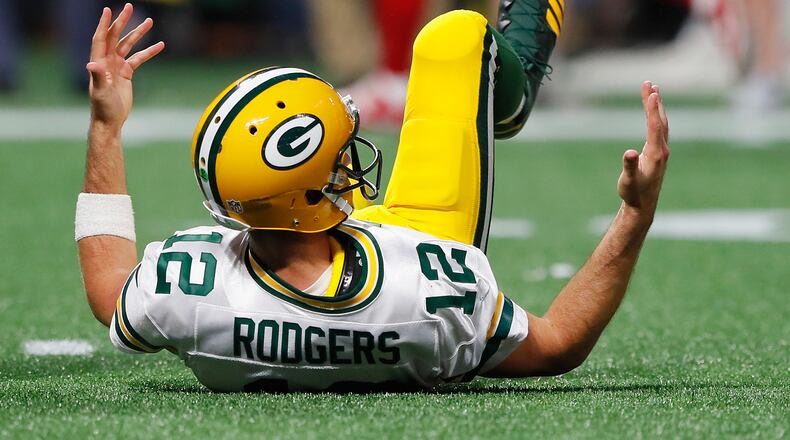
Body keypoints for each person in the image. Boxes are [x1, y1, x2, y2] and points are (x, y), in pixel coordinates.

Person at [77, 0, 670, 392]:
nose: (351, 167)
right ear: (311, 194)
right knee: (457, 36)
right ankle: (507, 101)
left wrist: (106, 127)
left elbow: (110, 293)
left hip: (326, 255)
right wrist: (635, 214)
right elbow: (557, 344)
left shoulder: (188, 288)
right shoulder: (434, 285)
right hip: (408, 245)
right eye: (338, 161)